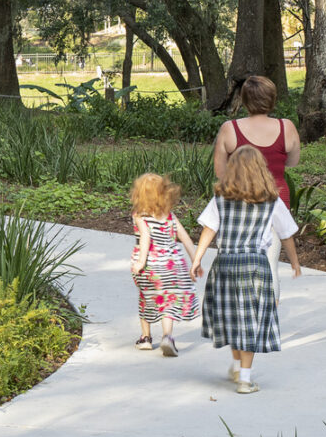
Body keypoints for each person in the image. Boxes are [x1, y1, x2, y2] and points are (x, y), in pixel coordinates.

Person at [191, 145, 302, 395]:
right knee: (250, 321)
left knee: (232, 317)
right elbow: (287, 235)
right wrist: (294, 261)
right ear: (261, 170)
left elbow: (209, 230)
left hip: (226, 264)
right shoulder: (271, 201)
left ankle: (238, 367)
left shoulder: (220, 198)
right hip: (254, 267)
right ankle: (245, 378)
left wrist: (197, 258)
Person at [128, 172, 200, 357]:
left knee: (147, 297)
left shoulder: (139, 215)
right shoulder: (169, 216)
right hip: (172, 267)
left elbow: (145, 237)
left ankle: (146, 338)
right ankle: (167, 337)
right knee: (167, 302)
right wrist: (195, 260)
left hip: (150, 267)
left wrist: (141, 262)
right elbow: (185, 238)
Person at [212, 74, 298, 206]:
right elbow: (292, 162)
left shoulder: (229, 129)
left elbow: (220, 172)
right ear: (272, 99)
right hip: (278, 199)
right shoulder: (286, 126)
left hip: (241, 198)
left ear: (243, 99)